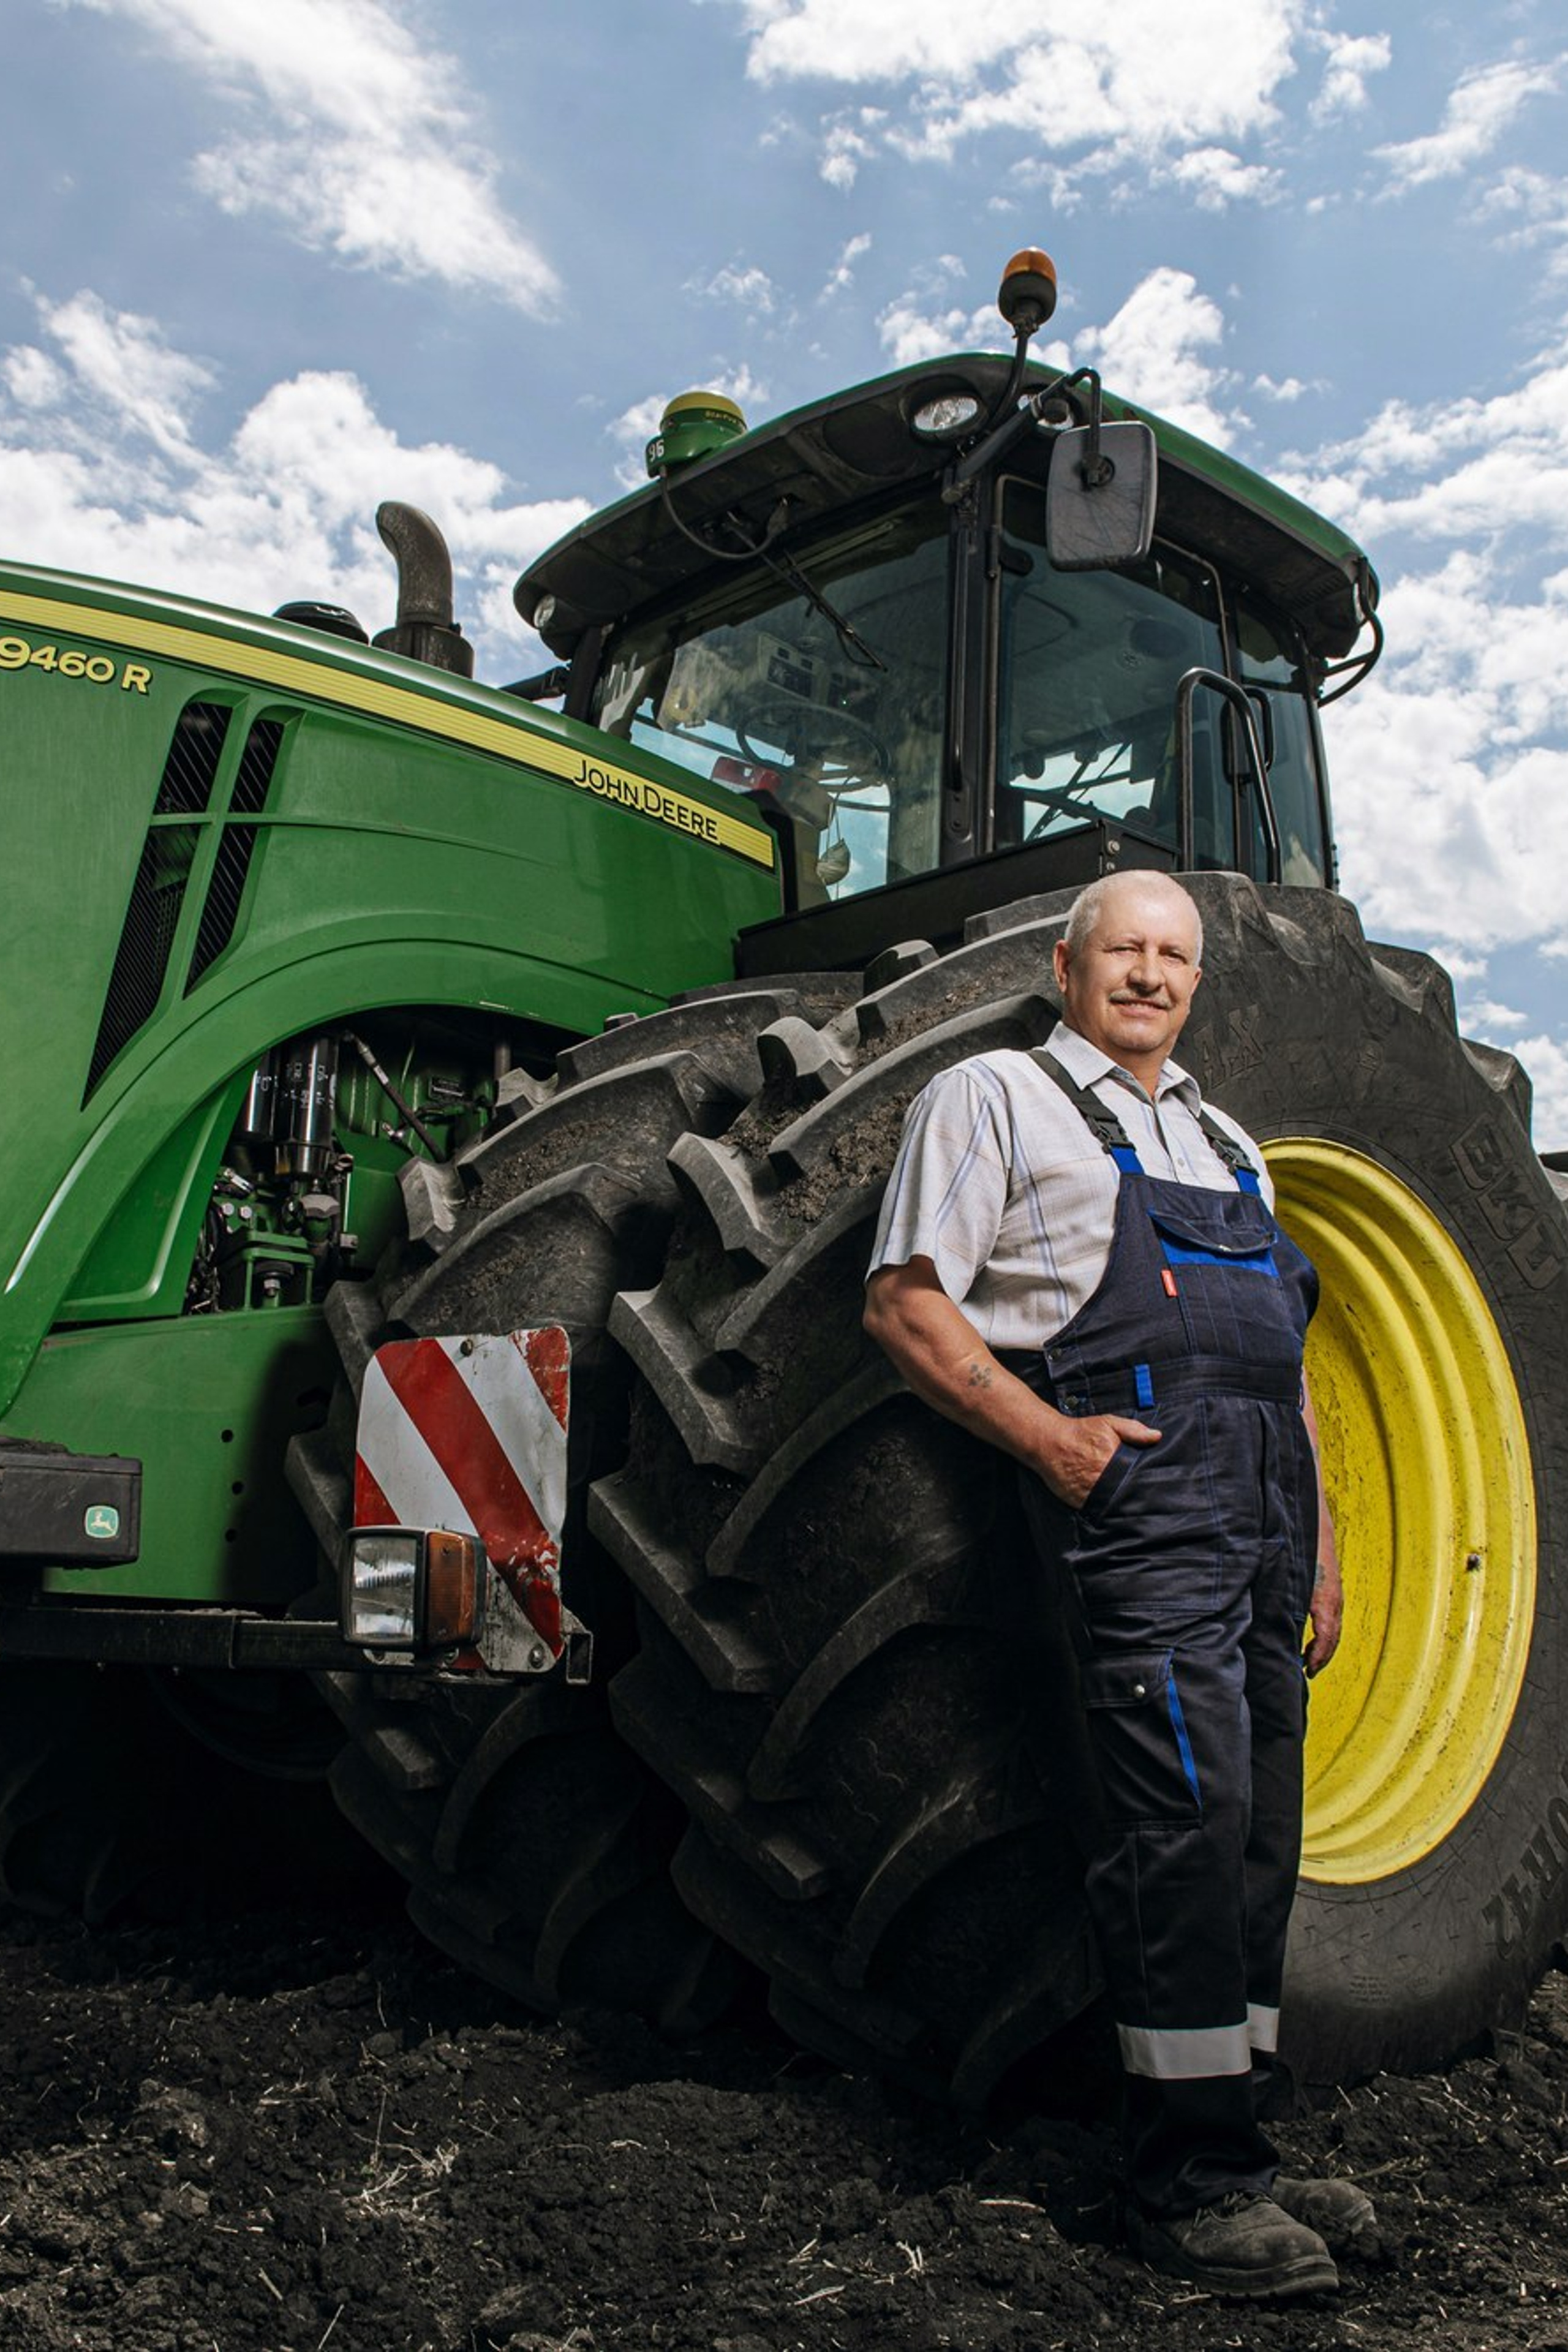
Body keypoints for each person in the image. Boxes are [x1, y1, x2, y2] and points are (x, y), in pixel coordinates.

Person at [862, 870, 1375, 2300]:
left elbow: (1284, 1368)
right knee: (1180, 1830)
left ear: (1193, 981)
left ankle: (1239, 2138)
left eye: (1171, 955)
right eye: (1121, 951)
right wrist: (1049, 1443)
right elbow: (903, 1301)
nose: (1146, 975)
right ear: (1065, 964)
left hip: (1263, 1517)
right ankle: (1184, 2183)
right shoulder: (992, 1099)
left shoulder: (1226, 1142)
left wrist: (1319, 1546)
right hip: (1139, 1514)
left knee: (1262, 1830)